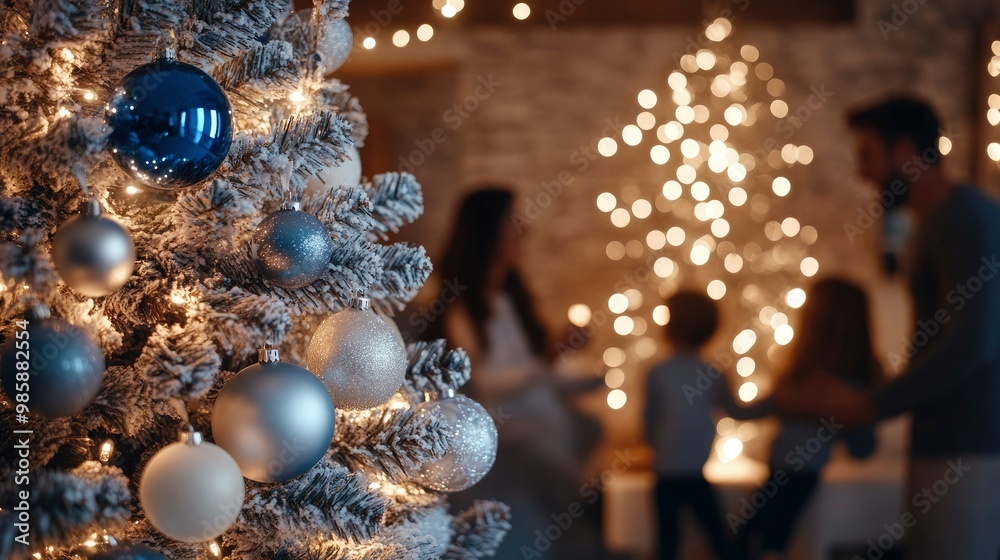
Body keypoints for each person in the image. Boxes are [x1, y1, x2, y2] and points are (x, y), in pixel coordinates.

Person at [777, 96, 1000, 559]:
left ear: (904, 152)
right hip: (948, 444)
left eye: (867, 155)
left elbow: (972, 343)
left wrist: (867, 405)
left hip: (969, 448)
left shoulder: (963, 217)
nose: (862, 173)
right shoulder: (935, 222)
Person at [434, 187, 605, 559]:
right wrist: (547, 360)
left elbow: (539, 371)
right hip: (511, 429)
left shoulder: (509, 302)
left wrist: (570, 364)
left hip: (544, 420)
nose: (524, 230)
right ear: (490, 231)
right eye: (513, 221)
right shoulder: (461, 311)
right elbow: (484, 384)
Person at [740, 278, 879, 560]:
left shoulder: (844, 384)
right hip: (781, 469)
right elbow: (756, 409)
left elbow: (863, 448)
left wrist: (832, 408)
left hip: (801, 474)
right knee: (754, 538)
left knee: (765, 539)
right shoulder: (800, 375)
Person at [644, 290, 757, 560]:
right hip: (694, 471)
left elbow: (648, 422)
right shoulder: (712, 373)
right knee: (718, 538)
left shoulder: (658, 373)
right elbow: (736, 411)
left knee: (668, 542)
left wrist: (657, 446)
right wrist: (777, 404)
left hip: (667, 472)